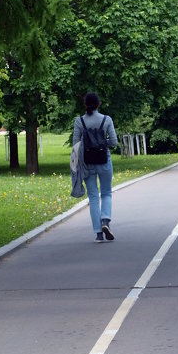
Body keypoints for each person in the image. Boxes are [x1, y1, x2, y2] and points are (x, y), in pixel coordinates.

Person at [73, 92, 118, 243]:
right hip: (104, 161)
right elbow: (113, 142)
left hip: (87, 163)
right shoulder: (106, 120)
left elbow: (76, 144)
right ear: (98, 104)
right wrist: (101, 143)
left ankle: (98, 233)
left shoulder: (79, 121)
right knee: (106, 193)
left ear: (86, 105)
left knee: (93, 197)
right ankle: (105, 221)